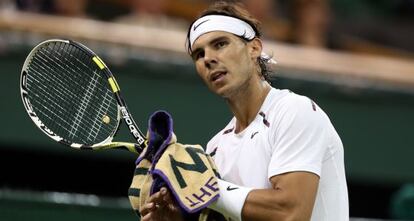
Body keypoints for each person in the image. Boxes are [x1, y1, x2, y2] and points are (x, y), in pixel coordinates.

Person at [139, 1, 349, 221]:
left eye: (220, 44)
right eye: (199, 55)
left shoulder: (295, 111)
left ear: (254, 48)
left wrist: (209, 189)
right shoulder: (215, 149)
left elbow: (292, 212)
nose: (208, 59)